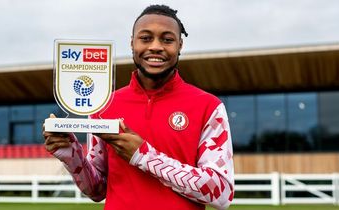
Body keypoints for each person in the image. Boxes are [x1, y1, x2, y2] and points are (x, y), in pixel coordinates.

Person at [43, 4, 234, 210]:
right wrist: (71, 154)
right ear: (132, 43)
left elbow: (221, 192)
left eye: (167, 39)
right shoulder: (104, 106)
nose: (155, 46)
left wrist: (143, 156)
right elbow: (97, 190)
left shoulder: (208, 106)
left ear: (180, 45)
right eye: (145, 38)